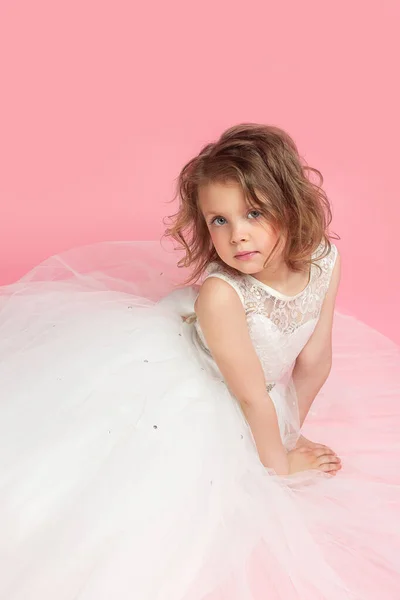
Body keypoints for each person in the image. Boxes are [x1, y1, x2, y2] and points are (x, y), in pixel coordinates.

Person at [0, 123, 399, 599]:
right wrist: (280, 465)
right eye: (219, 221)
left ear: (291, 204)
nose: (237, 236)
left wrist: (291, 430)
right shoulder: (221, 295)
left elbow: (315, 358)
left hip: (255, 381)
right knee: (141, 486)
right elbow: (251, 396)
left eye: (254, 212)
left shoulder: (323, 259)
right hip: (206, 381)